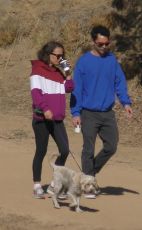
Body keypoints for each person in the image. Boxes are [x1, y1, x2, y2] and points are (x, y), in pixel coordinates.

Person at [70, 25, 133, 198]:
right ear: (93, 42)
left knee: (111, 146)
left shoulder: (112, 60)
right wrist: (75, 113)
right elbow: (77, 90)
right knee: (88, 149)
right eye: (100, 44)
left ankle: (88, 175)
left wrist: (125, 103)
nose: (104, 47)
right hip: (88, 113)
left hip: (107, 113)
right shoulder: (83, 62)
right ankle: (88, 185)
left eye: (107, 43)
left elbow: (119, 82)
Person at [30, 41, 74, 198]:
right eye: (57, 55)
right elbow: (36, 93)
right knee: (41, 151)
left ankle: (54, 185)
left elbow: (69, 88)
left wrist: (67, 72)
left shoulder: (57, 73)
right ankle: (37, 185)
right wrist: (45, 108)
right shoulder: (37, 69)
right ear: (48, 54)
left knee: (65, 150)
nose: (60, 58)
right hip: (42, 118)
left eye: (62, 56)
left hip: (56, 119)